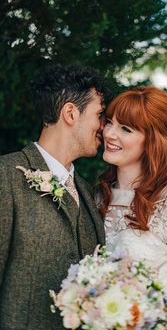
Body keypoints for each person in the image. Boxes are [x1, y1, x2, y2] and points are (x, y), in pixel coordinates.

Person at [0, 64, 110, 330]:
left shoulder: (88, 192)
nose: (105, 127)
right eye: (100, 115)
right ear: (71, 113)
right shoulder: (6, 175)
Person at [98, 86, 167, 330]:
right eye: (109, 122)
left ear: (152, 141)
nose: (109, 133)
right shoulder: (96, 197)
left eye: (125, 129)